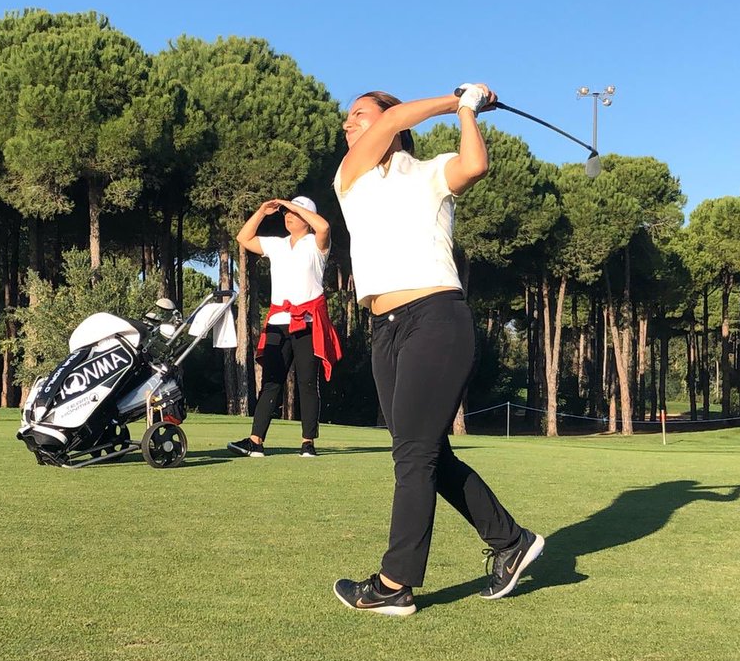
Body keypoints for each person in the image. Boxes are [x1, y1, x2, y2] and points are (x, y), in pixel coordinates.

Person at [330, 84, 544, 616]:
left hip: (436, 318)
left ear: (396, 122)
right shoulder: (350, 176)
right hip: (385, 329)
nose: (348, 123)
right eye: (348, 117)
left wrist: (467, 110)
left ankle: (394, 583)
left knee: (415, 454)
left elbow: (474, 165)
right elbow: (390, 122)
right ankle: (511, 541)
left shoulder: (429, 172)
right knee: (426, 451)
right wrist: (457, 99)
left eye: (359, 114)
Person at [227, 197, 341, 458]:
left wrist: (292, 205)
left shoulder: (316, 244)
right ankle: (255, 441)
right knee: (271, 382)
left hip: (307, 323)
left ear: (306, 218)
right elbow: (243, 238)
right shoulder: (277, 245)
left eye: (294, 213)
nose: (288, 216)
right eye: (286, 213)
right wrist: (261, 211)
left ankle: (308, 442)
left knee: (307, 382)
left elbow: (323, 227)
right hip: (279, 323)